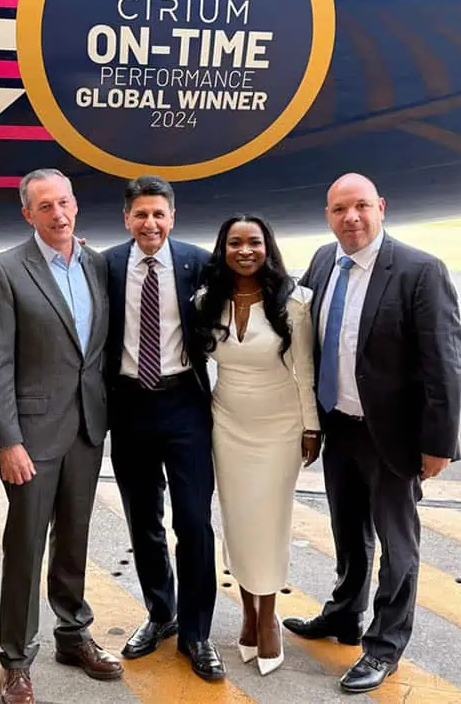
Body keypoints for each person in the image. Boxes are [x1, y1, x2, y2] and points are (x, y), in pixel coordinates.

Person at [283, 173, 461, 694]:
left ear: (381, 208)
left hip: (395, 436)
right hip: (339, 426)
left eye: (361, 206)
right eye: (340, 209)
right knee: (349, 533)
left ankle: (384, 646)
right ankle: (344, 615)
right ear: (328, 215)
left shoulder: (419, 270)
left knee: (396, 544)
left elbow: (445, 365)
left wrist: (438, 443)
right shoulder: (323, 260)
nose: (352, 218)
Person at [0, 169, 122, 704]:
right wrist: (7, 440)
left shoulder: (97, 264)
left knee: (75, 538)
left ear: (76, 205)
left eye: (64, 202)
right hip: (31, 437)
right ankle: (15, 658)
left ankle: (73, 633)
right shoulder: (3, 271)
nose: (58, 214)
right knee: (25, 544)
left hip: (87, 425)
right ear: (28, 214)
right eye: (45, 206)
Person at [103, 175, 225, 681]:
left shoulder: (199, 262)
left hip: (184, 404)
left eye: (159, 214)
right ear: (126, 219)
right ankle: (161, 614)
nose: (149, 223)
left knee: (193, 521)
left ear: (172, 217)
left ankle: (197, 633)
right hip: (128, 406)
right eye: (140, 214)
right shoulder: (104, 264)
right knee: (143, 520)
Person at [194, 214, 320, 677]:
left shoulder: (295, 302)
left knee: (269, 523)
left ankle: (268, 620)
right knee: (238, 522)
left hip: (280, 426)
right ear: (222, 249)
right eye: (234, 243)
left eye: (254, 242)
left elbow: (303, 369)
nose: (244, 251)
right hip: (227, 424)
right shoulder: (207, 301)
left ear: (268, 247)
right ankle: (247, 611)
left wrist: (311, 427)